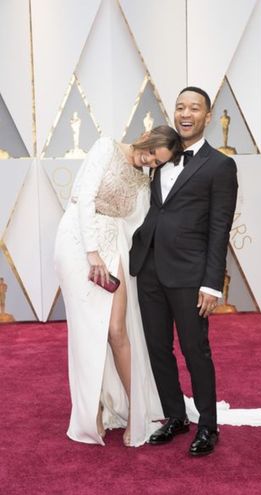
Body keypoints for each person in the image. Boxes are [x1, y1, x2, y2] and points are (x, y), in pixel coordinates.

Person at [54, 125, 183, 447]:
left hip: (113, 249)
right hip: (77, 243)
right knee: (87, 330)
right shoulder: (106, 147)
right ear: (148, 137)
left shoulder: (144, 179)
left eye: (157, 162)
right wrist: (92, 252)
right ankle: (92, 409)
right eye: (152, 152)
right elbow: (84, 198)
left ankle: (136, 410)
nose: (150, 161)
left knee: (116, 329)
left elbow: (135, 224)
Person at [130, 87, 238, 456]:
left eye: (194, 108)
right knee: (157, 349)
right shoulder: (160, 155)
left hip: (191, 276)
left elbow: (219, 228)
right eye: (180, 107)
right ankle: (175, 415)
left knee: (195, 350)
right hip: (149, 270)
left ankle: (208, 426)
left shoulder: (221, 166)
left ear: (208, 116)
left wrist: (212, 284)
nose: (185, 113)